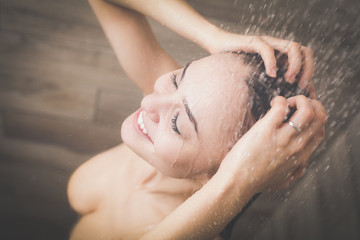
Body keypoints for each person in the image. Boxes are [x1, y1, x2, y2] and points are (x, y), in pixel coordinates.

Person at [67, 0, 326, 239]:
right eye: (177, 80)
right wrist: (212, 36)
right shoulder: (160, 112)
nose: (149, 102)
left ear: (219, 173)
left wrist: (238, 184)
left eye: (177, 124)